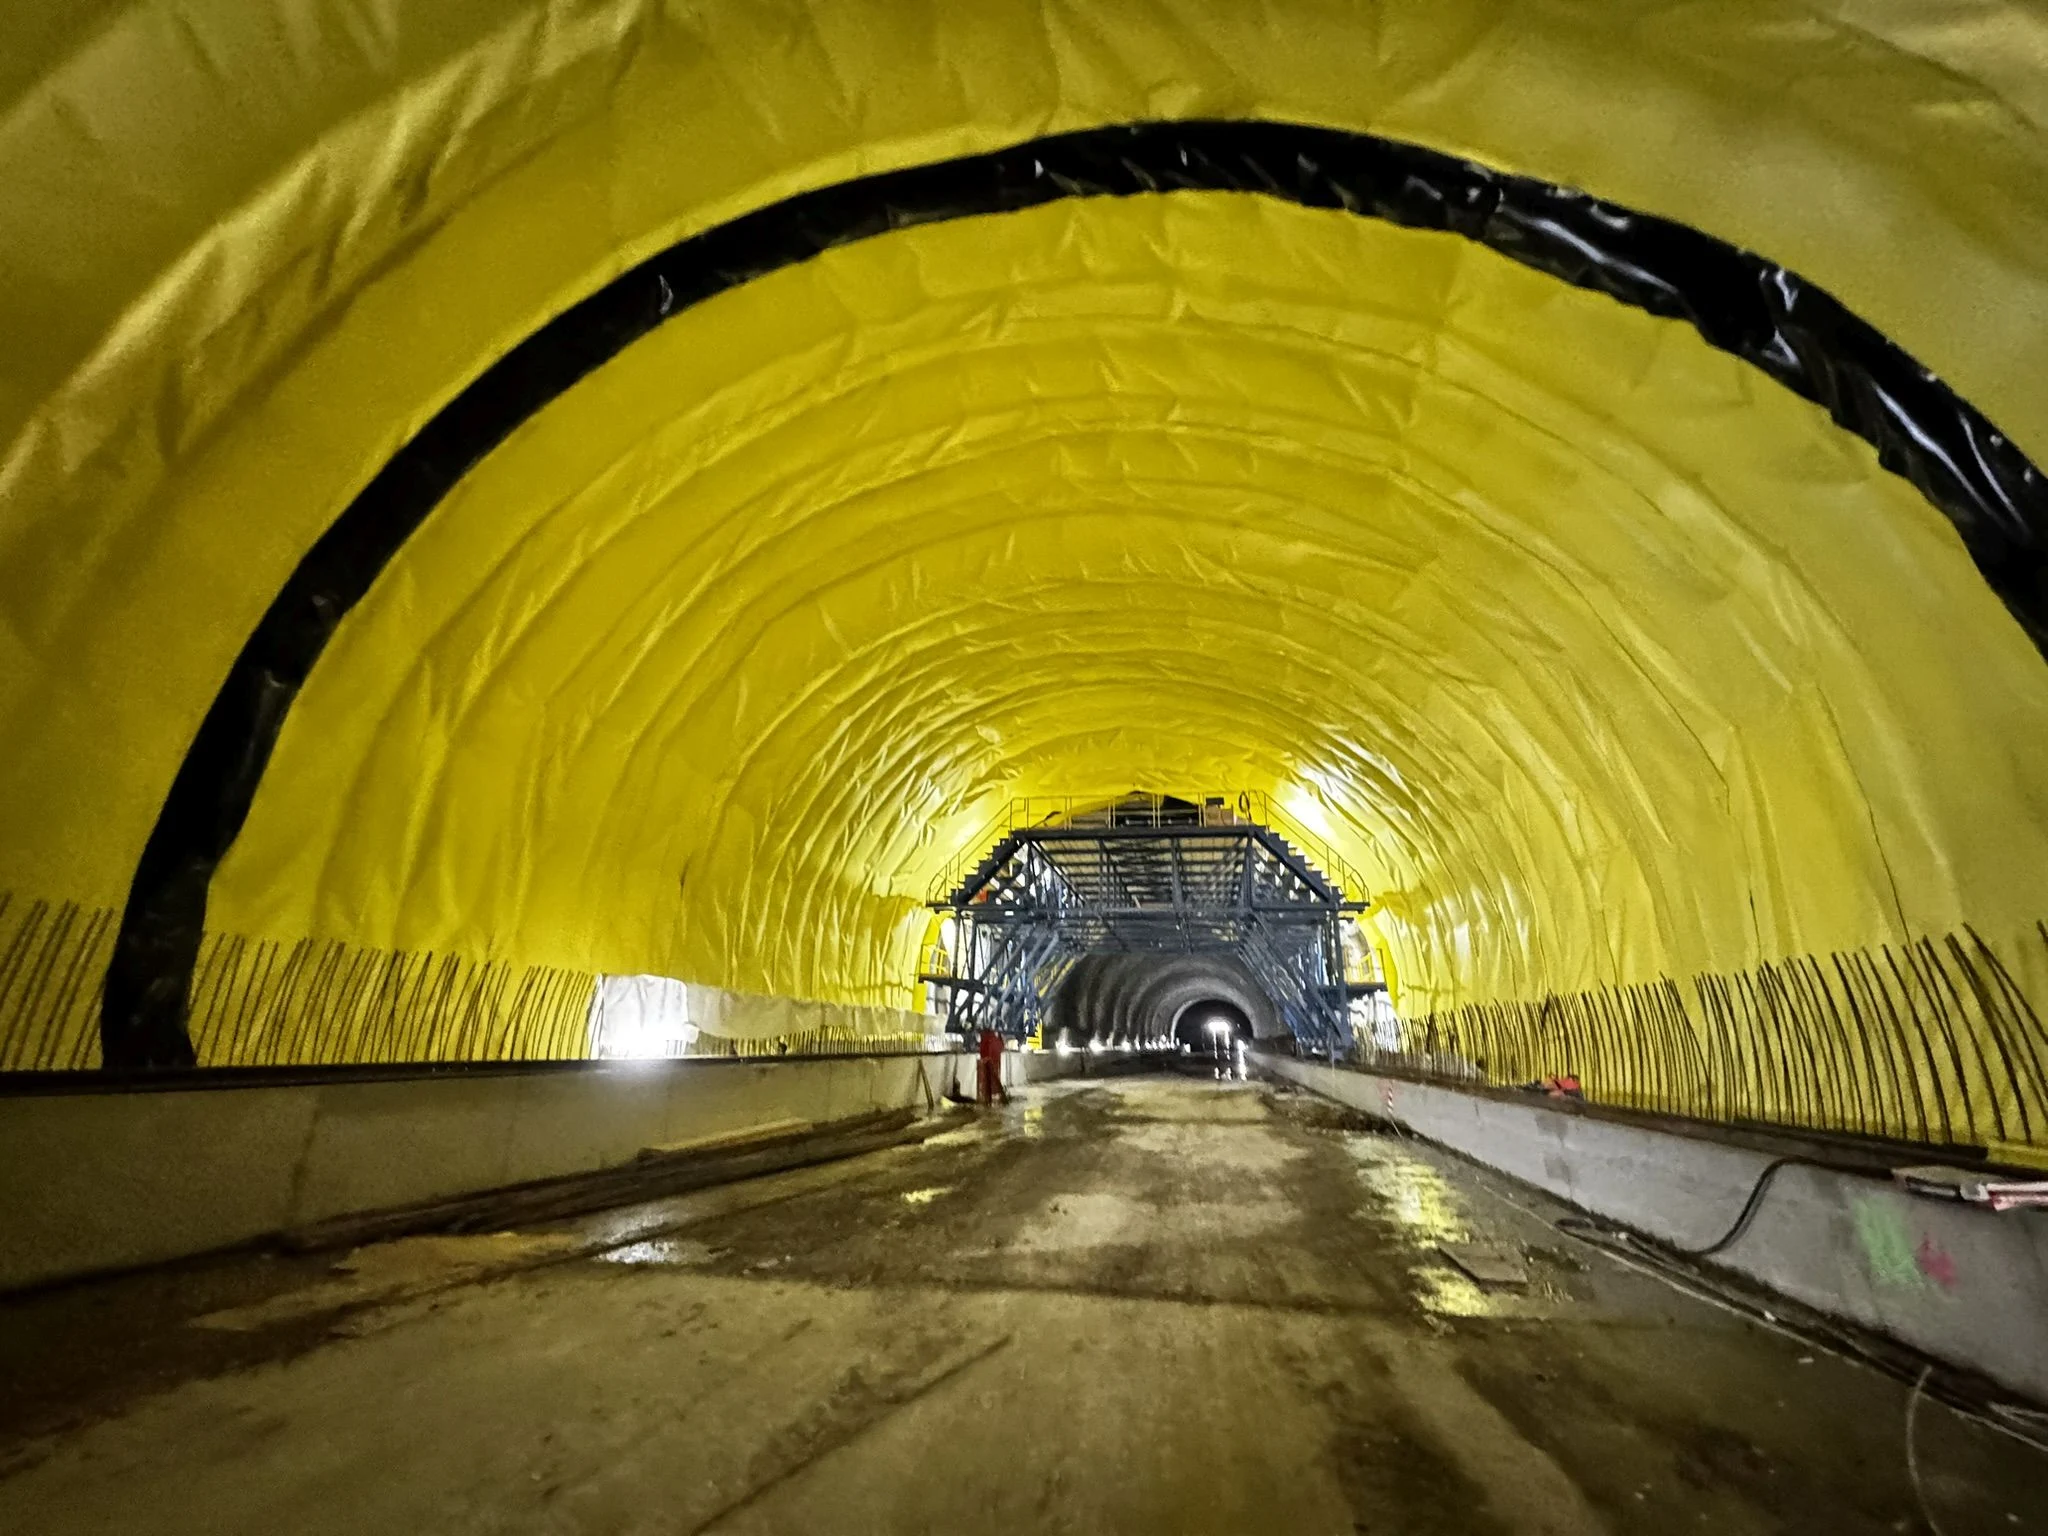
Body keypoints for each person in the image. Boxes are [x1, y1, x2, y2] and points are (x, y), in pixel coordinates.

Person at [976, 1026, 1008, 1107]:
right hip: (995, 1064)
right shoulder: (995, 1039)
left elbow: (983, 1051)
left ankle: (987, 1100)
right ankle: (992, 1098)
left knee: (986, 1084)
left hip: (986, 1065)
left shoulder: (986, 1039)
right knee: (994, 1082)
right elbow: (1001, 1047)